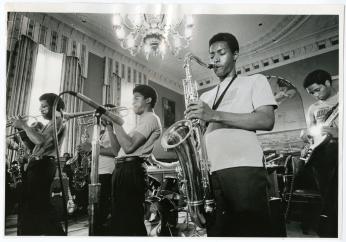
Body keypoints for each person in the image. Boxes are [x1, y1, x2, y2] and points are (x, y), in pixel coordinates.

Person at [185, 33, 277, 237]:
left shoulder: (255, 81)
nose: (215, 60)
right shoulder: (206, 96)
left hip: (244, 168)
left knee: (251, 231)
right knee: (219, 232)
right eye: (211, 55)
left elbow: (266, 120)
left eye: (221, 53)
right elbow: (201, 136)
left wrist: (213, 114)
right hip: (211, 173)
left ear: (235, 54)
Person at [106, 85, 162, 236]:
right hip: (123, 168)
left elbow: (129, 147)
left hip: (131, 169)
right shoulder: (141, 122)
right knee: (120, 218)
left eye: (137, 98)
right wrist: (110, 128)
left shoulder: (150, 118)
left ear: (148, 100)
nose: (132, 102)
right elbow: (117, 151)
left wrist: (115, 120)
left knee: (130, 219)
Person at [11, 93, 66, 235]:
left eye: (44, 106)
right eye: (40, 106)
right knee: (31, 206)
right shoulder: (50, 123)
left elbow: (39, 140)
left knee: (39, 205)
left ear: (55, 107)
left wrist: (23, 124)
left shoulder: (58, 121)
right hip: (38, 165)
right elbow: (34, 147)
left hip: (43, 166)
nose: (41, 109)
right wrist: (21, 130)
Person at [302, 69, 338, 237]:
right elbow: (312, 133)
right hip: (322, 158)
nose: (315, 95)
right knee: (329, 200)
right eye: (311, 93)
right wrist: (306, 137)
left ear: (328, 83)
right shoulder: (312, 108)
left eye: (318, 90)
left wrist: (338, 133)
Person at [95, 104, 119, 235]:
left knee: (103, 208)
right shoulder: (102, 131)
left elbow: (116, 151)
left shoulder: (114, 129)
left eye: (105, 112)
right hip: (99, 171)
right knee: (98, 207)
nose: (101, 115)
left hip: (108, 172)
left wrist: (94, 149)